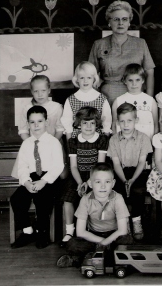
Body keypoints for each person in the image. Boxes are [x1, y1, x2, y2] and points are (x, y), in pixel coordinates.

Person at [57, 162, 133, 268]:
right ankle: (107, 259)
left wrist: (107, 241)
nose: (103, 186)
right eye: (98, 182)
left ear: (113, 183)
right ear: (91, 184)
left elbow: (122, 230)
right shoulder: (85, 200)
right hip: (93, 237)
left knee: (127, 240)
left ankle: (83, 260)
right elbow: (81, 231)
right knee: (72, 244)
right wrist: (102, 242)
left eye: (107, 181)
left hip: (113, 236)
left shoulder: (118, 198)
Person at [10, 105, 64, 249]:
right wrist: (27, 182)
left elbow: (58, 166)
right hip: (31, 178)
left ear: (46, 122)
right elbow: (22, 166)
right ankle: (28, 231)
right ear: (28, 124)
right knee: (17, 199)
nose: (36, 125)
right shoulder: (26, 144)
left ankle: (42, 232)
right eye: (32, 122)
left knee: (42, 199)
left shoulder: (54, 142)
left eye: (39, 121)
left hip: (49, 178)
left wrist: (43, 181)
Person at [59, 106, 109, 247]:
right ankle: (69, 231)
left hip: (96, 176)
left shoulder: (101, 140)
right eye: (84, 123)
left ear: (96, 124)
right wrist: (81, 182)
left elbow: (100, 165)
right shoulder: (73, 141)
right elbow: (73, 166)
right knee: (68, 199)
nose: (88, 126)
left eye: (92, 123)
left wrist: (88, 182)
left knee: (93, 198)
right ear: (78, 124)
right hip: (77, 176)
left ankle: (92, 230)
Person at [88, 0, 155, 105]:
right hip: (107, 97)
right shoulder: (99, 44)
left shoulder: (140, 43)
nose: (120, 23)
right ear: (109, 22)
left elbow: (149, 73)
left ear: (129, 22)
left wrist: (150, 101)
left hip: (135, 95)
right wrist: (96, 100)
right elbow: (90, 74)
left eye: (124, 19)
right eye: (116, 19)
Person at [107, 103, 153, 240]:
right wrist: (124, 180)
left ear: (136, 121)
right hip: (120, 172)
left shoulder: (143, 138)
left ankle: (136, 220)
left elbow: (141, 162)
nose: (125, 125)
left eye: (129, 121)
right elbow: (115, 163)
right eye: (122, 121)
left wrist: (132, 180)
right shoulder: (114, 139)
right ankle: (124, 223)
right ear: (118, 122)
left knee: (137, 190)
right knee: (118, 192)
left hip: (138, 172)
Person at [12, 75, 68, 180]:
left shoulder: (56, 107)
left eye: (43, 90)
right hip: (34, 146)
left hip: (53, 144)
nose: (40, 94)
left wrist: (51, 143)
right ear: (31, 92)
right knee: (33, 173)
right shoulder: (27, 108)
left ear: (49, 90)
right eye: (36, 91)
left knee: (53, 174)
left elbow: (60, 129)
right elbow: (23, 130)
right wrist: (31, 143)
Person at [61, 61, 112, 140]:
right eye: (82, 78)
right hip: (77, 140)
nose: (85, 81)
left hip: (98, 139)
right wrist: (69, 144)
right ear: (77, 79)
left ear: (94, 79)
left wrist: (105, 143)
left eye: (89, 77)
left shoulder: (102, 98)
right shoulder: (71, 99)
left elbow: (107, 121)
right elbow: (67, 122)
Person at [111, 63, 158, 139]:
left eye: (137, 80)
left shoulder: (150, 101)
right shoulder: (118, 101)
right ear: (125, 81)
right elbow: (114, 125)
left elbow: (156, 125)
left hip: (146, 144)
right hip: (125, 144)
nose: (134, 84)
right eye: (130, 80)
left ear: (143, 80)